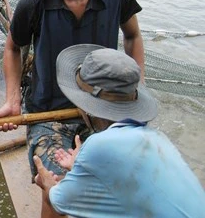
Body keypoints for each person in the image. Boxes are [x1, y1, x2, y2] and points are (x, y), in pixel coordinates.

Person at [0, 0, 145, 218]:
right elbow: (12, 47)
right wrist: (12, 100)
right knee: (56, 185)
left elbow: (133, 36)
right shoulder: (34, 3)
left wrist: (138, 87)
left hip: (104, 111)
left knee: (122, 180)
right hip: (50, 112)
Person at [34, 44, 205, 217]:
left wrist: (47, 184)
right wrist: (82, 167)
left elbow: (58, 201)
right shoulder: (159, 138)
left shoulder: (99, 144)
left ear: (86, 106)